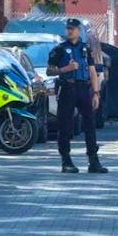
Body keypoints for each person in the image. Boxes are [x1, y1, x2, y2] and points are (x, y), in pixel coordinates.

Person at [47, 18, 108, 174]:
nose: (70, 31)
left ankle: (93, 160)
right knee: (65, 125)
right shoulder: (59, 49)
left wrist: (96, 93)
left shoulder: (85, 49)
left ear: (79, 31)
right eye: (68, 28)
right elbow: (49, 70)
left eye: (73, 29)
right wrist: (65, 69)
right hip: (67, 87)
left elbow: (92, 72)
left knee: (90, 124)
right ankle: (66, 160)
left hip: (83, 88)